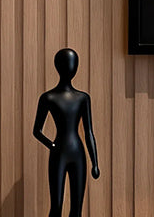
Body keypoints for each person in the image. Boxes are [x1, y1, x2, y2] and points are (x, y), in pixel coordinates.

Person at [33, 48, 100, 217]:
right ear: (58, 66)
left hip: (78, 153)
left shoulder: (83, 98)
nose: (71, 67)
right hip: (59, 153)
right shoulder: (48, 97)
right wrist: (52, 145)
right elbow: (37, 131)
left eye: (74, 63)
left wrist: (95, 162)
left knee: (76, 210)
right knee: (56, 207)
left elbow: (89, 132)